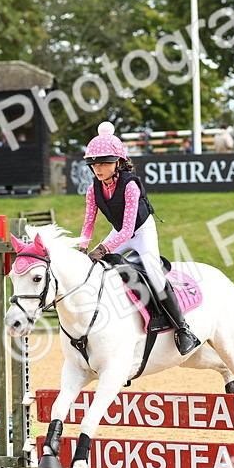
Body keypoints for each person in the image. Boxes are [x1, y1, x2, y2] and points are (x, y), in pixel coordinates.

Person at [80, 121, 200, 355]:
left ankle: (183, 329)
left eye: (104, 163)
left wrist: (103, 249)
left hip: (141, 232)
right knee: (93, 268)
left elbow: (128, 231)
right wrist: (84, 248)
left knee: (155, 276)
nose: (98, 168)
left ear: (118, 163)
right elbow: (88, 224)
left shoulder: (130, 186)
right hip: (118, 231)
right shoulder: (92, 189)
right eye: (94, 163)